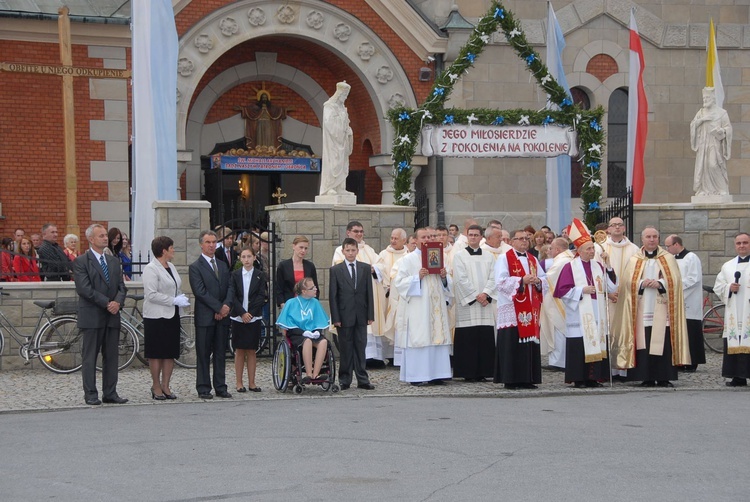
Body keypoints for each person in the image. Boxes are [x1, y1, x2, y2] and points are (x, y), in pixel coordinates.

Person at [611, 226, 691, 387]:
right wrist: (641, 283)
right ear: (642, 239)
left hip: (662, 307)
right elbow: (626, 283)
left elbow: (675, 281)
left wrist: (660, 283)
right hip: (641, 308)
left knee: (663, 342)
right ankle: (645, 377)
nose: (652, 239)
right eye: (648, 236)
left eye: (655, 236)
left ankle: (663, 377)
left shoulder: (668, 258)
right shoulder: (635, 259)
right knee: (643, 342)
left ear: (659, 239)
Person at [553, 223, 617, 388]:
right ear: (579, 250)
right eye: (588, 249)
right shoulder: (570, 267)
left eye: (592, 249)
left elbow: (612, 287)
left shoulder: (598, 266)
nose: (591, 251)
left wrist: (609, 266)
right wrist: (582, 290)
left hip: (597, 311)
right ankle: (580, 378)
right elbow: (562, 291)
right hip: (580, 312)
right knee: (580, 344)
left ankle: (594, 378)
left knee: (596, 341)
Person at [73, 224, 128, 406]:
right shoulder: (82, 261)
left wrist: (117, 302)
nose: (106, 238)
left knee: (111, 356)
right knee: (90, 356)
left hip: (112, 316)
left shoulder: (112, 261)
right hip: (92, 315)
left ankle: (110, 392)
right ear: (91, 239)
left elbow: (121, 286)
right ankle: (90, 393)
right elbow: (85, 289)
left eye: (106, 235)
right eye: (101, 236)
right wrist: (107, 303)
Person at [392, 228, 453, 386]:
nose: (428, 239)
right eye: (424, 237)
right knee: (420, 337)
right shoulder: (409, 259)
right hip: (419, 307)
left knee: (437, 336)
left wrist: (444, 277)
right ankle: (417, 376)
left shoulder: (441, 256)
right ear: (416, 240)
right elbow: (399, 282)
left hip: (436, 306)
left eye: (431, 236)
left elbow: (448, 285)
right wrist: (416, 277)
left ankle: (437, 374)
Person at [493, 229, 547, 389]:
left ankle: (527, 378)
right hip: (512, 308)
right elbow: (500, 282)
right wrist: (521, 280)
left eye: (526, 238)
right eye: (520, 238)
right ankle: (511, 380)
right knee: (512, 343)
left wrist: (538, 281)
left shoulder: (532, 259)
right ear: (512, 241)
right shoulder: (504, 258)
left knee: (528, 344)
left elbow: (545, 279)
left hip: (530, 307)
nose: (524, 241)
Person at [332, 221, 387, 364]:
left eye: (361, 231)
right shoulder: (340, 250)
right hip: (349, 302)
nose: (359, 234)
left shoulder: (368, 249)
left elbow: (381, 264)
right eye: (356, 231)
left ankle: (373, 358)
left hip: (365, 299)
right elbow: (339, 268)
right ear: (348, 233)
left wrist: (374, 269)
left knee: (366, 332)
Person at [142, 236, 189, 400]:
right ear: (164, 250)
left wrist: (180, 299)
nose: (174, 250)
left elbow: (175, 286)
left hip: (172, 314)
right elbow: (151, 294)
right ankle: (156, 386)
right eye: (171, 248)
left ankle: (166, 385)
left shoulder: (171, 266)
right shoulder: (151, 268)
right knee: (156, 353)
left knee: (169, 352)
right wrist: (172, 300)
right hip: (156, 316)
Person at [189, 230, 233, 399]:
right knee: (204, 353)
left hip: (222, 317)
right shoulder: (195, 267)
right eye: (208, 242)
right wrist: (217, 308)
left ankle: (221, 387)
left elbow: (230, 287)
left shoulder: (222, 265)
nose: (212, 245)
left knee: (221, 353)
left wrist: (226, 306)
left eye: (214, 242)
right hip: (205, 317)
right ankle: (203, 387)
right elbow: (200, 292)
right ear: (201, 244)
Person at [451, 224, 497, 381]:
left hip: (484, 304)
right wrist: (475, 296)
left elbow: (494, 277)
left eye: (476, 235)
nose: (473, 238)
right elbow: (460, 279)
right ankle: (468, 372)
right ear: (467, 237)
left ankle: (484, 371)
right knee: (468, 338)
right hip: (469, 304)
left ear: (481, 237)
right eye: (470, 235)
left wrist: (486, 294)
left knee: (484, 338)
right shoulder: (459, 256)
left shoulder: (489, 256)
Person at [329, 237, 375, 390]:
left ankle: (362, 379)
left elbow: (369, 292)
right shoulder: (336, 270)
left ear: (357, 250)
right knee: (346, 348)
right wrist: (335, 318)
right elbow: (333, 296)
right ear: (343, 251)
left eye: (353, 250)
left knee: (361, 346)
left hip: (361, 314)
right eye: (347, 250)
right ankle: (345, 379)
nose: (350, 253)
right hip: (344, 315)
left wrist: (370, 315)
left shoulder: (365, 268)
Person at [598, 217, 639, 381]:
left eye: (620, 225)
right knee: (608, 331)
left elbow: (637, 273)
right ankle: (608, 370)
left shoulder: (634, 249)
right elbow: (596, 273)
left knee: (625, 332)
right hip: (606, 299)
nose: (616, 227)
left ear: (624, 228)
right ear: (608, 229)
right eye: (613, 225)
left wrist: (625, 293)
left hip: (627, 298)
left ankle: (623, 368)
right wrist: (608, 292)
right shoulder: (600, 248)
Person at [276, 277, 331, 382]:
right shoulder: (291, 303)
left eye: (315, 287)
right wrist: (303, 332)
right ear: (304, 291)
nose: (315, 289)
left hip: (313, 333)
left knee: (323, 342)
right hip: (297, 335)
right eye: (312, 288)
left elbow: (320, 321)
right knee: (307, 341)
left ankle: (316, 374)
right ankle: (309, 374)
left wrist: (316, 332)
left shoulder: (315, 302)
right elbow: (288, 325)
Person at [228, 247, 267, 393]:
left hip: (253, 317)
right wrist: (242, 313)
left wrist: (250, 313)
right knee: (239, 350)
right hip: (238, 317)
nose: (246, 259)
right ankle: (239, 382)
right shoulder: (235, 275)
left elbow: (260, 296)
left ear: (254, 258)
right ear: (239, 258)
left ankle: (252, 382)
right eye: (243, 257)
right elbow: (233, 295)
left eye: (249, 256)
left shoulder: (259, 275)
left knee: (251, 350)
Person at [713, 232, 750, 387]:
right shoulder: (727, 266)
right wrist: (729, 287)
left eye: (745, 242)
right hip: (734, 311)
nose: (741, 246)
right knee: (735, 339)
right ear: (735, 245)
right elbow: (718, 286)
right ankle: (738, 376)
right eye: (739, 243)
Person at [665, 234, 706, 372]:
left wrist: (676, 287)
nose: (667, 249)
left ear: (676, 244)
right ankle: (679, 360)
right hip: (675, 299)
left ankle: (692, 361)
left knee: (690, 331)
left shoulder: (691, 258)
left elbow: (694, 278)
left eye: (668, 246)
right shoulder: (671, 259)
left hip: (689, 300)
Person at [540, 237, 575, 370]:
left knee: (558, 329)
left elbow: (548, 280)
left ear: (557, 249)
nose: (550, 251)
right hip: (566, 299)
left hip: (557, 301)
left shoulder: (561, 261)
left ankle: (559, 362)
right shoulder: (570, 258)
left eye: (551, 248)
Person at [691, 87, 732, 196]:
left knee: (713, 164)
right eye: (704, 98)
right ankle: (704, 190)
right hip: (703, 143)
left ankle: (721, 188)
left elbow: (728, 128)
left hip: (714, 144)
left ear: (713, 98)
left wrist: (722, 130)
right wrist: (701, 120)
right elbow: (693, 125)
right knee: (703, 166)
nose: (705, 100)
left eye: (707, 97)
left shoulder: (722, 113)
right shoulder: (701, 113)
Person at [318, 81, 353, 196]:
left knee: (342, 163)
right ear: (339, 94)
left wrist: (348, 130)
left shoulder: (343, 109)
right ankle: (330, 187)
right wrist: (340, 126)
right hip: (333, 140)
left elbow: (346, 122)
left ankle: (340, 188)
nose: (345, 98)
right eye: (344, 95)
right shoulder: (329, 106)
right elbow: (329, 123)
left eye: (346, 96)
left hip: (342, 140)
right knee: (333, 162)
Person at [375, 228, 409, 340]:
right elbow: (378, 271)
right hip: (387, 295)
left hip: (404, 296)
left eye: (396, 238)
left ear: (404, 240)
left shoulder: (408, 255)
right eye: (392, 238)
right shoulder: (383, 254)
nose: (393, 240)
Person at [275, 236, 318, 309]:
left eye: (306, 248)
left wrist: (314, 304)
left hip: (307, 305)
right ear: (294, 246)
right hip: (289, 305)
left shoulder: (310, 266)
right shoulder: (283, 266)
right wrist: (282, 304)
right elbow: (279, 288)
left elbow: (315, 287)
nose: (303, 250)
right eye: (301, 247)